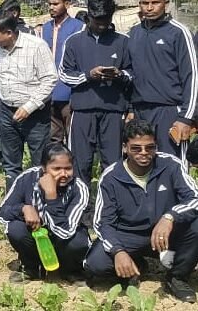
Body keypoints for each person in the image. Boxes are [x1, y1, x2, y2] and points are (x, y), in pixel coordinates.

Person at [85, 120, 198, 303]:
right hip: (129, 234)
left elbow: (194, 198)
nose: (144, 153)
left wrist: (170, 217)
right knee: (96, 265)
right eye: (136, 148)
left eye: (149, 147)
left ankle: (177, 277)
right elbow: (103, 223)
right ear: (124, 148)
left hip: (167, 233)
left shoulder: (170, 165)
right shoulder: (112, 176)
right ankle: (135, 264)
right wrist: (118, 251)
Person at [59, 0, 132, 184]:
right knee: (80, 162)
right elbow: (64, 75)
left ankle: (110, 205)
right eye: (97, 19)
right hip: (82, 111)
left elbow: (133, 74)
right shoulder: (74, 41)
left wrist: (119, 74)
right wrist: (88, 75)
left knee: (113, 162)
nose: (101, 24)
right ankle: (81, 206)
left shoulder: (123, 41)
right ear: (89, 15)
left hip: (113, 112)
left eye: (105, 20)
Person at [0, 12, 57, 189]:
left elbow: (50, 79)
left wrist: (29, 107)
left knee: (39, 161)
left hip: (35, 115)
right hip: (7, 112)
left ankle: (41, 200)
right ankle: (14, 203)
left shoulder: (36, 46)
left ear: (8, 32)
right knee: (11, 162)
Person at [0, 143, 90, 282]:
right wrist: (24, 208)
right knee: (15, 228)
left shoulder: (78, 188)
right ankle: (31, 268)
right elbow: (1, 213)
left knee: (78, 241)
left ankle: (69, 270)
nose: (63, 174)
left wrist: (51, 197)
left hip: (63, 240)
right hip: (36, 236)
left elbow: (65, 232)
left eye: (68, 168)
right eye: (56, 169)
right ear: (44, 168)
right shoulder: (27, 178)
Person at [127, 0, 197, 161]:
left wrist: (186, 118)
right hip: (141, 111)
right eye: (145, 3)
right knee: (141, 167)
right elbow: (131, 74)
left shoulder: (179, 32)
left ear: (165, 4)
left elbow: (192, 77)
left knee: (172, 166)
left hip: (169, 112)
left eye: (155, 3)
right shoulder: (134, 33)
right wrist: (130, 109)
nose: (149, 8)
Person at [41, 0, 84, 144]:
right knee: (53, 138)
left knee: (72, 136)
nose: (51, 7)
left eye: (55, 4)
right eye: (50, 4)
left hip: (69, 91)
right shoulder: (45, 28)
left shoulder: (78, 27)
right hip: (48, 92)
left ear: (67, 4)